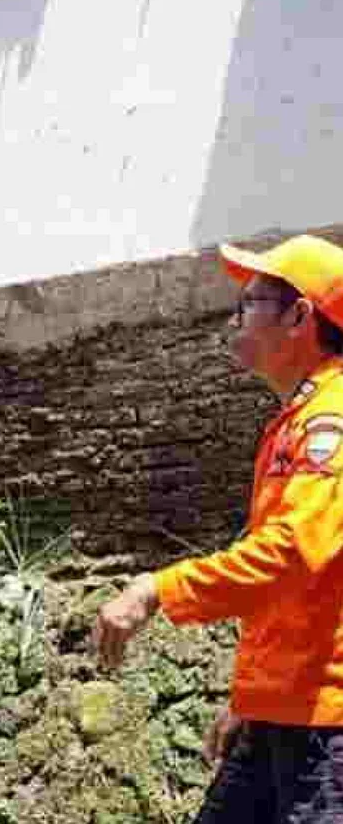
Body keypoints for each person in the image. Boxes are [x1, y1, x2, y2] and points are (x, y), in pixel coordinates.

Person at [93, 234, 343, 822]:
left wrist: (157, 589)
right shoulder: (300, 419)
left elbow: (289, 557)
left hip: (325, 728)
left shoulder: (330, 421)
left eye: (249, 301)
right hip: (283, 712)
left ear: (299, 317)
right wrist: (249, 700)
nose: (235, 316)